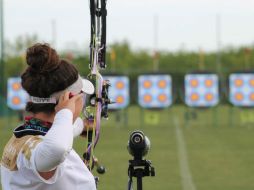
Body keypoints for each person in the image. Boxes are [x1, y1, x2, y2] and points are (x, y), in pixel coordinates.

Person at [0, 43, 97, 190]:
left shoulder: (29, 134)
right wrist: (66, 112)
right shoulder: (33, 148)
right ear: (70, 99)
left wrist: (81, 126)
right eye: (81, 96)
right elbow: (56, 148)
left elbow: (59, 132)